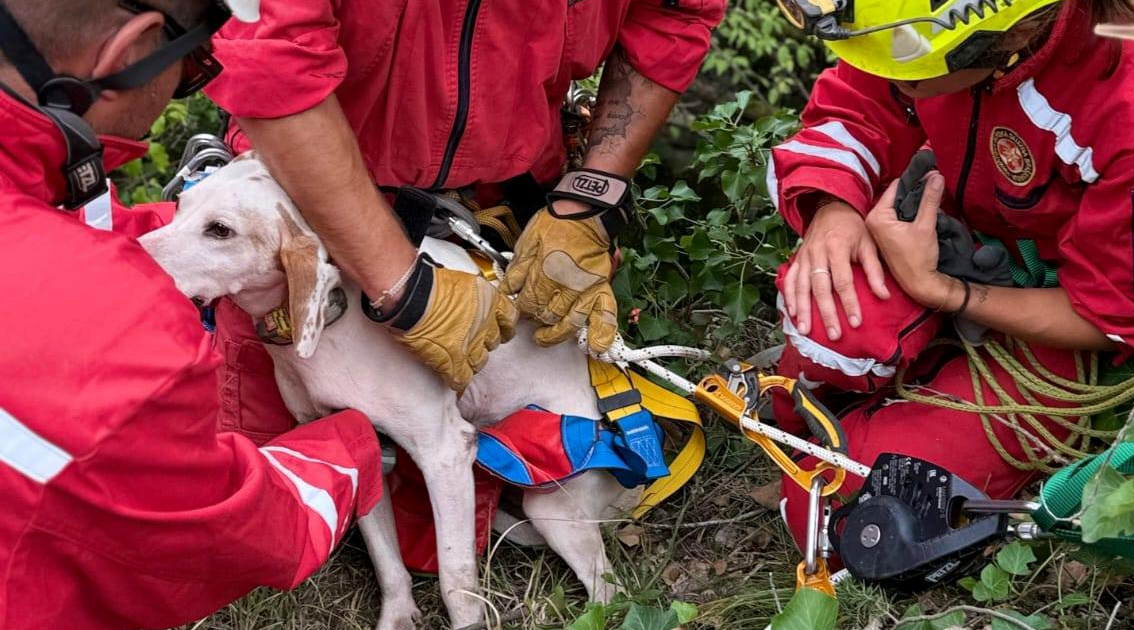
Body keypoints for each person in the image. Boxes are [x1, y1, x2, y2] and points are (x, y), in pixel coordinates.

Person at [0, 1, 385, 628]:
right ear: (131, 51)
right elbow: (248, 532)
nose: (183, 89)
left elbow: (72, 237)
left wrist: (227, 231)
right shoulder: (118, 346)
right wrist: (354, 439)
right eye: (197, 67)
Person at [767, 0, 1134, 550]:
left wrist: (946, 293)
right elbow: (858, 106)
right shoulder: (911, 28)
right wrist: (833, 210)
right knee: (830, 318)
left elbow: (1117, 313)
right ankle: (805, 410)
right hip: (947, 235)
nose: (884, 74)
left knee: (836, 507)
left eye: (908, 74)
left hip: (1059, 315)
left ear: (997, 40)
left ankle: (892, 395)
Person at [201, 0, 727, 442]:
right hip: (308, 212)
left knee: (542, 465)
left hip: (509, 211)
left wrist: (587, 202)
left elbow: (670, 15)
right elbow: (272, 59)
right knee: (280, 483)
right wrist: (402, 286)